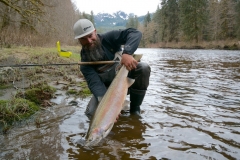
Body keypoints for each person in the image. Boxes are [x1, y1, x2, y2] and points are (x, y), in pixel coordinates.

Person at [73, 19, 151, 117]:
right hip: (106, 90)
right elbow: (96, 85)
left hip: (127, 82)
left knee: (143, 68)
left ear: (95, 32)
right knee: (92, 114)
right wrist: (108, 107)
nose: (89, 41)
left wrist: (127, 53)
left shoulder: (109, 38)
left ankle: (135, 110)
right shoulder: (84, 62)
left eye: (90, 36)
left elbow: (135, 33)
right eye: (83, 39)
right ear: (79, 40)